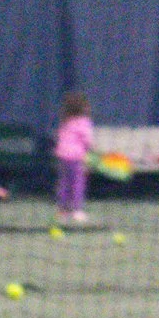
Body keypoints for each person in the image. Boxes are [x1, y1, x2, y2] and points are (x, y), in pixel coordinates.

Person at [52, 91, 94, 227]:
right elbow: (88, 140)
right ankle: (76, 210)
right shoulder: (84, 122)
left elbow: (60, 137)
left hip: (63, 156)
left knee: (64, 183)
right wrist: (91, 151)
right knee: (77, 183)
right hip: (76, 157)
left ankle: (62, 211)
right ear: (84, 107)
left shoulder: (65, 121)